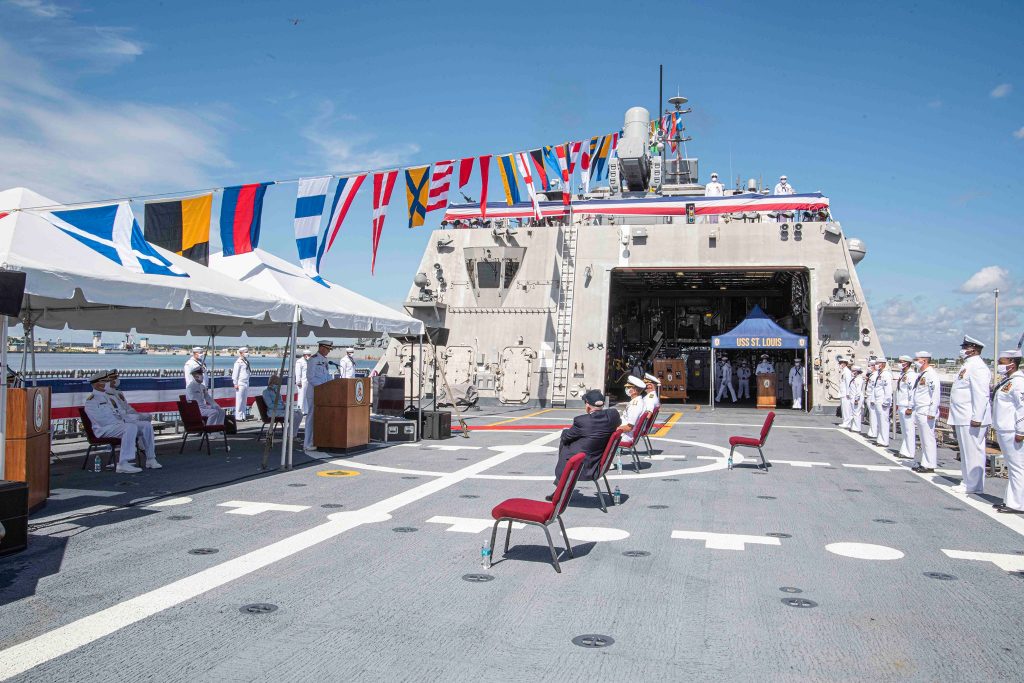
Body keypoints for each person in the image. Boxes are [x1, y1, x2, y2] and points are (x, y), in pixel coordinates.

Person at [83, 371, 155, 473]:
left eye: (107, 381)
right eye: (105, 381)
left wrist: (131, 419)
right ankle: (123, 463)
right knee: (130, 427)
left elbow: (121, 412)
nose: (107, 383)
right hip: (103, 429)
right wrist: (124, 421)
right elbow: (102, 420)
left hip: (117, 425)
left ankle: (151, 458)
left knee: (146, 425)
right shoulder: (91, 401)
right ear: (96, 384)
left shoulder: (110, 397)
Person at [948, 335, 992, 494]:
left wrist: (977, 418)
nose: (962, 350)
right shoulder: (968, 365)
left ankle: (973, 485)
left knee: (973, 451)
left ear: (973, 350)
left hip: (971, 418)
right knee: (967, 451)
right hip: (963, 416)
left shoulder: (978, 367)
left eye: (965, 347)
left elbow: (981, 394)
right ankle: (969, 482)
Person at [551, 389, 622, 488]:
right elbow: (617, 422)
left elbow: (566, 437)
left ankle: (560, 485)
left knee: (565, 441)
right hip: (598, 463)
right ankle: (559, 486)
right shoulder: (613, 415)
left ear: (588, 405)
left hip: (584, 468)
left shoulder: (582, 421)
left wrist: (565, 431)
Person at [105, 369, 160, 469]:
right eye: (114, 378)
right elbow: (115, 414)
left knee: (147, 425)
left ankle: (151, 458)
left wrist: (137, 415)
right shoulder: (104, 395)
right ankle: (124, 461)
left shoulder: (118, 392)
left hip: (128, 419)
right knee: (132, 426)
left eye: (116, 378)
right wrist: (133, 416)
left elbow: (127, 408)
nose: (116, 380)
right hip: (118, 423)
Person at [991, 350, 1024, 514]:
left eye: (1002, 362)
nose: (999, 365)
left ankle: (1018, 504)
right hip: (1004, 429)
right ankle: (1011, 500)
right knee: (1013, 467)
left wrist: (1021, 430)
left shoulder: (1019, 383)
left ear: (1012, 362)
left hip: (1013, 430)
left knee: (1018, 467)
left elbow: (1022, 408)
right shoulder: (1008, 381)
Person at [909, 351, 941, 473]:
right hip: (920, 410)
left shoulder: (931, 375)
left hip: (926, 411)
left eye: (917, 359)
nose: (915, 361)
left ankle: (930, 464)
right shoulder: (922, 374)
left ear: (924, 360)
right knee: (923, 439)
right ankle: (925, 462)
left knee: (928, 439)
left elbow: (935, 393)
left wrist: (932, 412)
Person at [303, 340, 335, 452]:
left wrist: (333, 383)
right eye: (327, 349)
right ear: (322, 348)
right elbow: (310, 377)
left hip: (322, 392)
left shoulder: (324, 360)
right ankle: (307, 443)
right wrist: (323, 387)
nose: (328, 352)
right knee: (311, 417)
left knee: (319, 418)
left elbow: (326, 376)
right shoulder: (313, 360)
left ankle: (316, 440)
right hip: (314, 392)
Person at [893, 355, 918, 458]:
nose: (899, 363)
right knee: (904, 430)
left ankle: (910, 452)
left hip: (907, 406)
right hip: (902, 404)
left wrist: (910, 407)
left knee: (909, 430)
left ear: (907, 363)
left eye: (901, 361)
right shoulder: (903, 374)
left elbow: (912, 392)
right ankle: (904, 450)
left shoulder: (911, 375)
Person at [262, 375, 300, 439]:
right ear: (272, 382)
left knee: (299, 414)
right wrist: (283, 406)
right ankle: (290, 434)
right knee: (294, 415)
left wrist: (285, 405)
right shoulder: (266, 392)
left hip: (280, 410)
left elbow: (280, 402)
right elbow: (270, 405)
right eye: (277, 383)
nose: (278, 385)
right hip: (273, 412)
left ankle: (293, 433)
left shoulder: (277, 391)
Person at [617, 376, 648, 440]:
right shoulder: (636, 401)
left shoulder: (635, 405)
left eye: (628, 387)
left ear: (634, 391)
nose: (626, 389)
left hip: (625, 435)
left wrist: (612, 429)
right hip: (624, 430)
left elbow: (629, 427)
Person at [872, 359, 894, 447]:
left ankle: (884, 441)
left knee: (884, 421)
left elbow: (888, 389)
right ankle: (880, 439)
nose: (875, 365)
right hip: (878, 400)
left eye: (877, 363)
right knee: (880, 421)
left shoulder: (886, 374)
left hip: (882, 401)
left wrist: (886, 401)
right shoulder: (879, 374)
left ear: (882, 364)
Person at [232, 347, 252, 420]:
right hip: (240, 383)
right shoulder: (238, 362)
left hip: (246, 382)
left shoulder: (245, 361)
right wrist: (235, 383)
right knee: (239, 400)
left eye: (247, 351)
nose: (247, 353)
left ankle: (243, 415)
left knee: (244, 400)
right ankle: (238, 416)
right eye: (245, 352)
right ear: (241, 353)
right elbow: (235, 374)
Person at [863, 360, 879, 439]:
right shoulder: (872, 375)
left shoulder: (875, 375)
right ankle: (872, 431)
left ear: (873, 366)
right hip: (868, 396)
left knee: (873, 415)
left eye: (869, 366)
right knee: (871, 415)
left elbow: (874, 388)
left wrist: (872, 399)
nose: (868, 367)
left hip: (871, 397)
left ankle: (873, 432)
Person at [838, 356, 854, 429]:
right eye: (840, 363)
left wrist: (848, 393)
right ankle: (845, 421)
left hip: (845, 394)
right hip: (843, 393)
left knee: (846, 408)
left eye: (841, 363)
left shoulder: (847, 372)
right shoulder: (843, 371)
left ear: (844, 364)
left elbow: (848, 383)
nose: (839, 364)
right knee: (844, 408)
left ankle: (847, 422)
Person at [849, 365, 865, 432]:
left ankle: (857, 428)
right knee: (854, 413)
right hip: (853, 397)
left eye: (853, 371)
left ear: (857, 372)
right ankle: (854, 426)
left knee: (857, 413)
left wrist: (856, 399)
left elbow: (858, 391)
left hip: (857, 398)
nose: (852, 372)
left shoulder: (859, 379)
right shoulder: (854, 378)